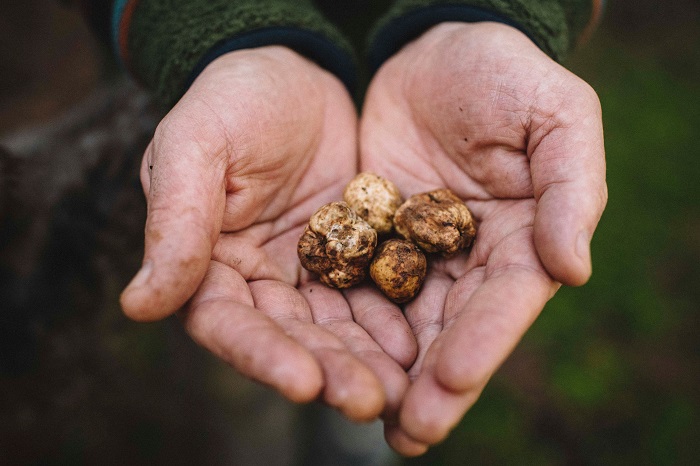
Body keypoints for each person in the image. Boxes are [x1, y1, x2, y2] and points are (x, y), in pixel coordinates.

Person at [74, 0, 607, 456]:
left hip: (415, 68)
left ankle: (361, 441)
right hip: (194, 93)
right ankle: (256, 446)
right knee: (246, 360)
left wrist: (483, 13)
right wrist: (217, 33)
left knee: (390, 372)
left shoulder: (398, 229)